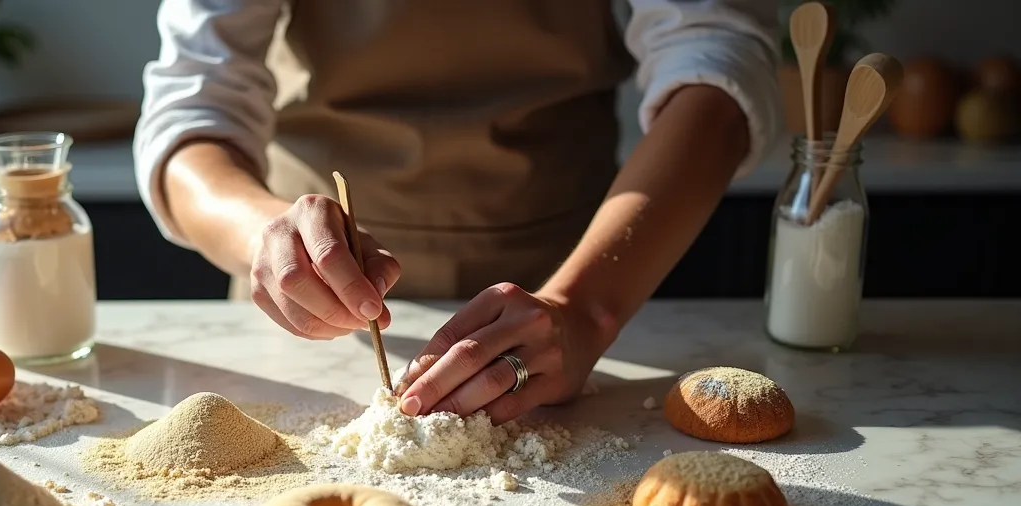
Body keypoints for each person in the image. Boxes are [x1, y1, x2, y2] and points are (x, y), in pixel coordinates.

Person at [134, 0, 781, 425]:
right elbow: (193, 105)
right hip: (295, 307)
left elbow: (716, 55)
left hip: (584, 274)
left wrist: (584, 308)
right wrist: (262, 237)